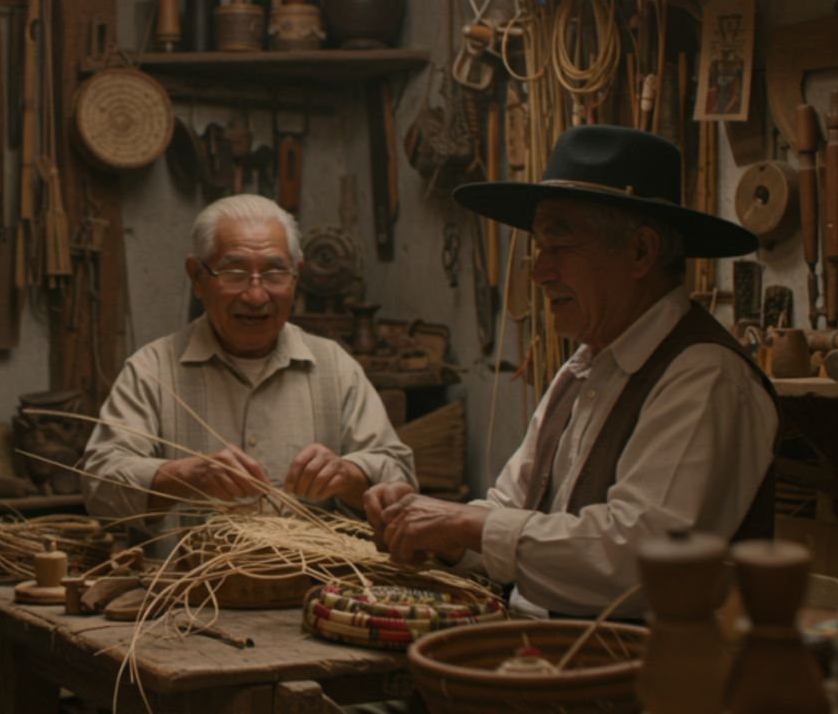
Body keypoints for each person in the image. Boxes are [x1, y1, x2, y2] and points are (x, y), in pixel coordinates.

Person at [367, 124, 778, 616]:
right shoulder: (583, 370)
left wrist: (463, 524)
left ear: (641, 252)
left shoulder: (707, 379)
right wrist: (431, 527)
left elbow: (640, 564)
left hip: (643, 683)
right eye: (539, 248)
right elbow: (506, 517)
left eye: (559, 246)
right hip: (543, 660)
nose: (540, 272)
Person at [81, 193, 416, 528]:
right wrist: (186, 474)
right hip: (183, 578)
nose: (256, 295)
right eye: (235, 272)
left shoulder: (334, 367)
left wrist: (348, 475)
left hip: (314, 580)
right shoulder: (151, 371)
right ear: (196, 277)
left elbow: (400, 482)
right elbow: (99, 486)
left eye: (274, 273)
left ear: (296, 275)